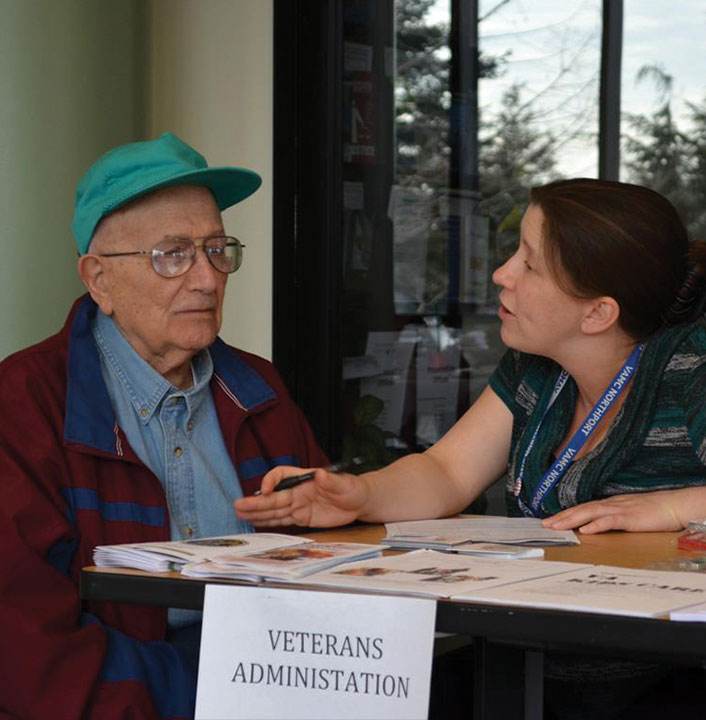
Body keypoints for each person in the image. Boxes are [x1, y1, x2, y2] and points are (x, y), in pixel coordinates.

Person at [235, 178, 706, 718]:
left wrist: (673, 507)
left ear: (597, 314)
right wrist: (358, 496)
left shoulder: (690, 366)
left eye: (529, 264)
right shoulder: (537, 369)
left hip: (667, 684)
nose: (502, 274)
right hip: (527, 671)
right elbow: (447, 471)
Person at [0, 132, 328, 720]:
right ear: (98, 280)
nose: (207, 278)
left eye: (217, 248)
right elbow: (24, 642)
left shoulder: (259, 390)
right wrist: (212, 694)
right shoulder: (24, 403)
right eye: (172, 254)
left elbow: (335, 564)